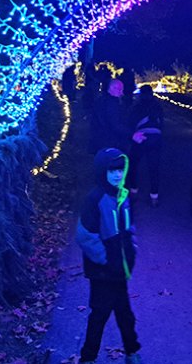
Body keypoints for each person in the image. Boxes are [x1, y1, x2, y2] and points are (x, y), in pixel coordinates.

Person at [76, 148, 142, 364]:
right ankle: (88, 358)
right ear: (102, 171)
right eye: (112, 170)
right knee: (100, 314)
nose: (117, 175)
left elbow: (128, 226)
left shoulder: (123, 195)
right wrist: (105, 259)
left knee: (125, 314)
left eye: (120, 170)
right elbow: (85, 235)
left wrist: (131, 247)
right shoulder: (95, 198)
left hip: (119, 269)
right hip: (103, 272)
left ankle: (132, 352)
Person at [127, 84, 163, 206]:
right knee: (154, 167)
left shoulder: (137, 106)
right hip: (156, 137)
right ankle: (154, 196)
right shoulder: (157, 106)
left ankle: (133, 190)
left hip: (140, 137)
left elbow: (131, 121)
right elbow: (161, 122)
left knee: (134, 164)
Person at [90, 79, 137, 153]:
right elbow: (115, 124)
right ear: (113, 88)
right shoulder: (112, 103)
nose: (121, 93)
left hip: (99, 138)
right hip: (109, 140)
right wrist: (132, 134)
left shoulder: (101, 100)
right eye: (120, 89)